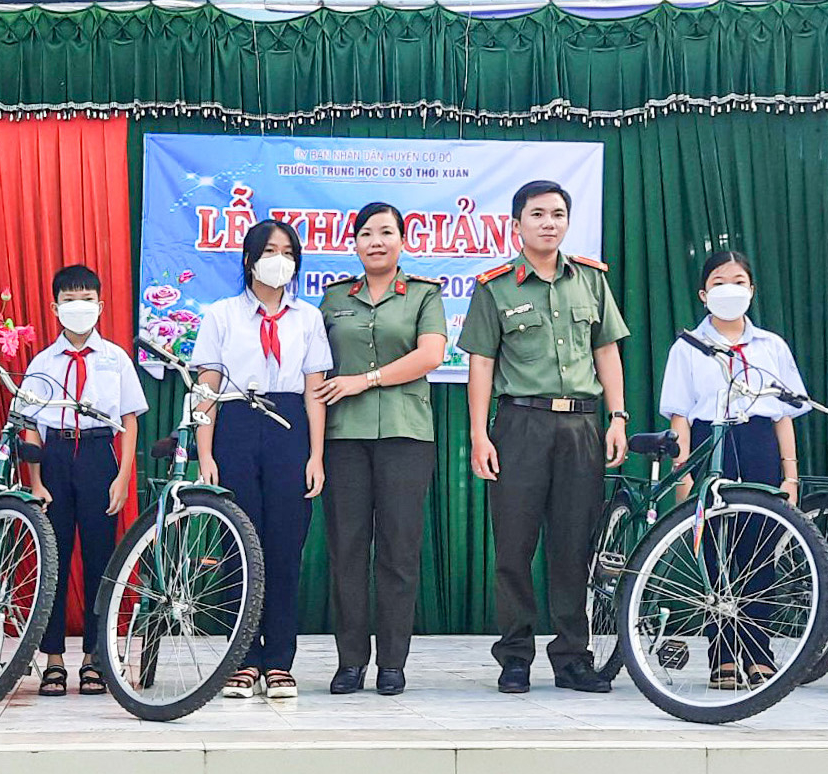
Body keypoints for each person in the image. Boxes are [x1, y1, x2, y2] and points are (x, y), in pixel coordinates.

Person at [459, 179, 629, 696]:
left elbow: (607, 352)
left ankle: (573, 657)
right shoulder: (495, 287)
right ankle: (514, 657)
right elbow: (481, 363)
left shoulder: (592, 281)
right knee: (514, 546)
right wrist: (478, 435)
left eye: (557, 214)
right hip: (520, 426)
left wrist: (617, 417)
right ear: (516, 225)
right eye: (537, 214)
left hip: (581, 426)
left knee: (573, 547)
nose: (548, 222)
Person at [192, 219, 332, 700]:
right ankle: (243, 659)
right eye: (270, 250)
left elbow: (316, 391)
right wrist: (204, 451)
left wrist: (315, 455)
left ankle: (279, 661)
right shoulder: (222, 314)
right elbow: (206, 386)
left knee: (284, 548)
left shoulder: (308, 318)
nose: (280, 259)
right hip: (234, 423)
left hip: (288, 424)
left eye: (289, 252)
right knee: (239, 546)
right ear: (249, 259)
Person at [657, 250, 809, 689]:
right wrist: (683, 472)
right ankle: (722, 654)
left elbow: (784, 414)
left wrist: (790, 475)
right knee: (716, 553)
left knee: (759, 552)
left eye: (739, 281)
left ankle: (759, 651)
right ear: (704, 294)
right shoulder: (687, 346)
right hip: (710, 442)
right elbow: (681, 415)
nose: (731, 289)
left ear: (751, 291)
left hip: (758, 442)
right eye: (720, 282)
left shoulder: (772, 346)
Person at [315, 202, 449, 697]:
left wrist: (363, 381)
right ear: (353, 243)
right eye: (366, 233)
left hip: (405, 436)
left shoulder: (423, 295)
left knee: (398, 551)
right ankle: (350, 661)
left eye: (386, 232)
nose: (377, 241)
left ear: (402, 240)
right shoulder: (333, 300)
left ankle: (393, 662)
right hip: (343, 438)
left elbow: (431, 355)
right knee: (347, 550)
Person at [21, 264, 145, 699]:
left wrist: (122, 476)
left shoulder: (115, 359)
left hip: (98, 455)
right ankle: (53, 659)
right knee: (51, 562)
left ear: (100, 305)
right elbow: (30, 426)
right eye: (69, 300)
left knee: (100, 562)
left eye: (86, 299)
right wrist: (35, 480)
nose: (79, 307)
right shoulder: (42, 362)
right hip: (55, 457)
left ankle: (95, 658)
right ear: (55, 307)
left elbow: (128, 421)